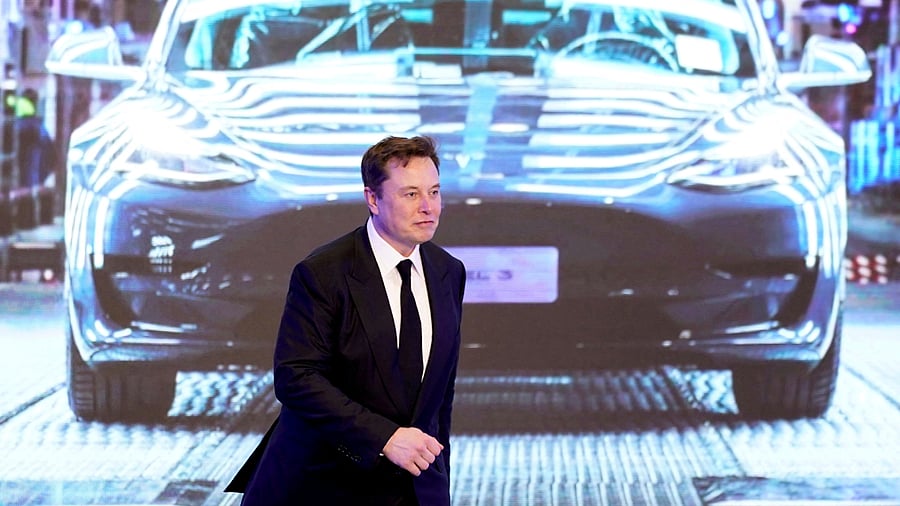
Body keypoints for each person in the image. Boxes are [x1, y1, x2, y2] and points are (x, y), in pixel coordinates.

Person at [227, 135, 466, 505]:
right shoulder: (324, 272)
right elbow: (297, 377)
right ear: (373, 199)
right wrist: (385, 438)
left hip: (415, 489)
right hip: (324, 484)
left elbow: (439, 397)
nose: (428, 207)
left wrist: (437, 485)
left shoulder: (448, 272)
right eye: (411, 194)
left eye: (434, 192)